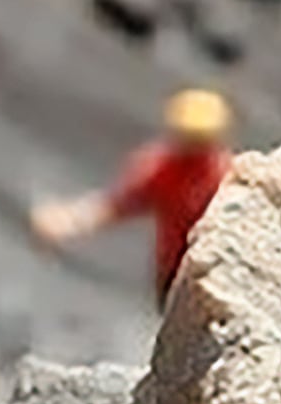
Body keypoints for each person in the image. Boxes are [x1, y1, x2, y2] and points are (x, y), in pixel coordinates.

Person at [32, 87, 238, 305]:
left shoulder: (225, 173)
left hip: (220, 271)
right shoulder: (161, 169)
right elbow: (115, 205)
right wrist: (68, 222)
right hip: (180, 275)